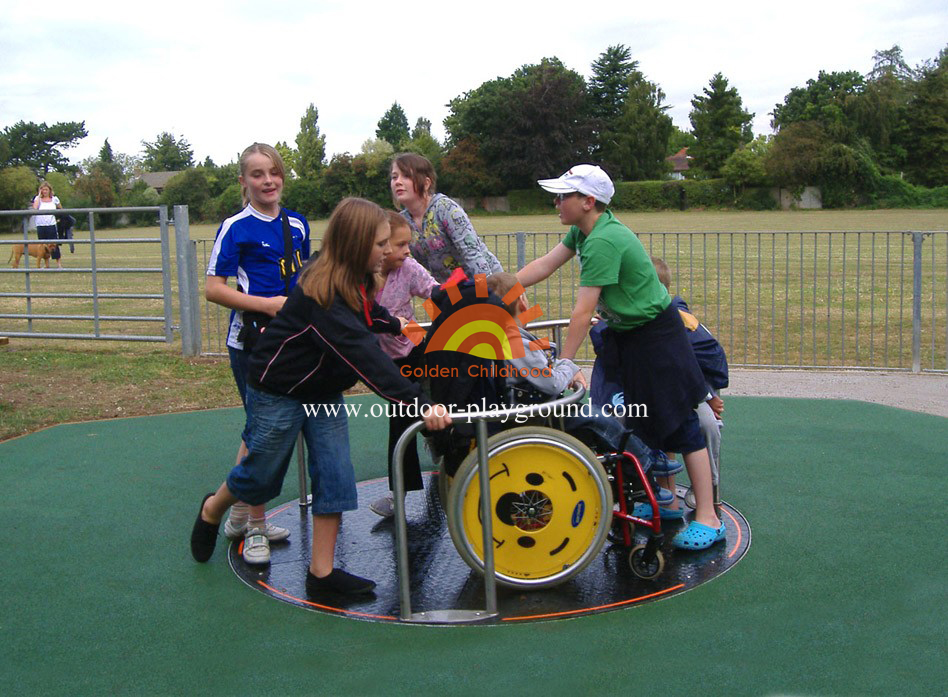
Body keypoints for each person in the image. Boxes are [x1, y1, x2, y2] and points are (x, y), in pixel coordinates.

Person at [190, 197, 452, 597]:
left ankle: (322, 572)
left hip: (323, 390)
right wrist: (420, 403)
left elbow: (366, 313)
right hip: (279, 390)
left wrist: (389, 320)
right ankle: (214, 507)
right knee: (261, 472)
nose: (388, 251)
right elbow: (367, 356)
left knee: (335, 473)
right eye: (381, 244)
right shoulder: (323, 297)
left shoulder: (356, 279)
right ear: (355, 244)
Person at [515, 165, 724, 551]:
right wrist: (504, 288)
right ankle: (667, 503)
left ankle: (709, 517)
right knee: (640, 418)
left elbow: (582, 311)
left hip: (657, 339)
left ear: (588, 201)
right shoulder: (585, 230)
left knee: (680, 424)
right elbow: (545, 264)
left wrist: (565, 362)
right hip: (632, 338)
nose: (556, 203)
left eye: (563, 196)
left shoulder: (603, 242)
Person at [484, 272, 675, 506]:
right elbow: (551, 382)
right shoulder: (514, 342)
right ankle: (643, 466)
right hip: (538, 418)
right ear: (522, 302)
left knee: (596, 418)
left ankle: (639, 462)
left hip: (529, 413)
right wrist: (568, 366)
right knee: (598, 419)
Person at [204, 143, 310, 564]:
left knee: (260, 430)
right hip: (252, 344)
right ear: (243, 181)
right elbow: (214, 288)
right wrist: (266, 305)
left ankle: (237, 514)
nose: (268, 181)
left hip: (292, 343)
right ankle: (256, 526)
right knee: (265, 432)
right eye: (258, 174)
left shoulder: (297, 224)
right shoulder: (235, 227)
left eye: (274, 173)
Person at [369, 212, 439, 518]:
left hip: (413, 351)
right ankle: (434, 440)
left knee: (405, 418)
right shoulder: (364, 275)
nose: (407, 250)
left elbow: (436, 293)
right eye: (400, 245)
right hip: (380, 361)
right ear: (379, 247)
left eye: (407, 243)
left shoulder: (408, 268)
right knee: (407, 418)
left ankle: (398, 495)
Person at [649, 257, 728, 514]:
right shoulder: (646, 316)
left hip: (696, 389)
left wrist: (707, 397)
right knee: (658, 424)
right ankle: (666, 493)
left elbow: (689, 363)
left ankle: (709, 492)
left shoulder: (676, 320)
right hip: (669, 389)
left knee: (707, 426)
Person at [390, 153, 502, 283]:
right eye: (394, 177)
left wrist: (486, 297)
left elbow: (473, 255)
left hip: (488, 281)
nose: (398, 182)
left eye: (406, 176)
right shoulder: (402, 221)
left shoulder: (445, 209)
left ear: (426, 183)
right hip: (454, 292)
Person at [31, 181, 63, 268]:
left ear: (50, 190)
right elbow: (35, 207)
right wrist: (38, 195)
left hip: (51, 224)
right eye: (43, 190)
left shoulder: (54, 199)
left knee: (54, 244)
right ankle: (46, 264)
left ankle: (58, 264)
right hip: (40, 225)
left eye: (46, 189)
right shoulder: (38, 199)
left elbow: (61, 209)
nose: (44, 191)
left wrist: (59, 219)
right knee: (43, 245)